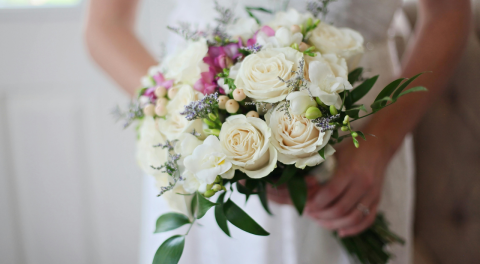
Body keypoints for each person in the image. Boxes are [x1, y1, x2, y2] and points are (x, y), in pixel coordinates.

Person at [84, 0, 470, 263]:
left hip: (363, 136)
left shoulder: (373, 146)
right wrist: (198, 126)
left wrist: (379, 145)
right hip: (207, 143)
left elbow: (449, 12)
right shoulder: (203, 131)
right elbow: (106, 25)